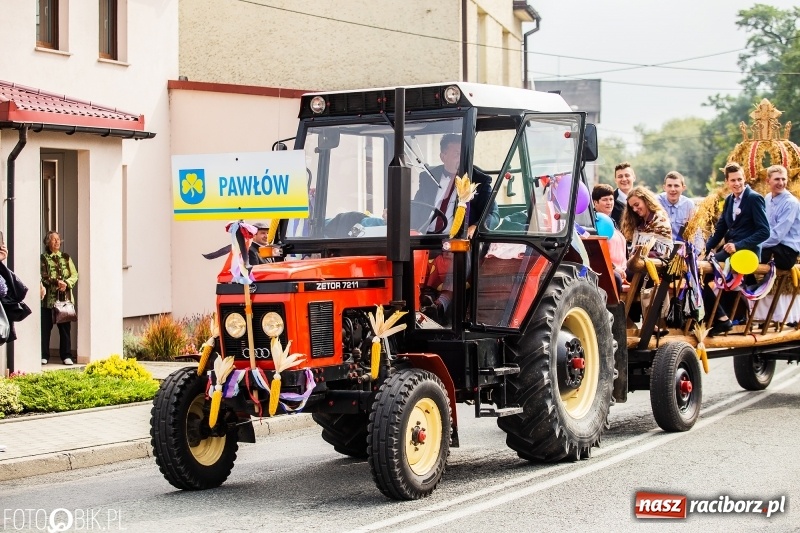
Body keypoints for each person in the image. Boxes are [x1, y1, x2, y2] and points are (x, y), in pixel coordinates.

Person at [703, 162, 770, 336]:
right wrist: (704, 249)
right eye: (733, 180)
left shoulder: (754, 198)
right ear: (727, 182)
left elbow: (764, 231)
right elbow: (720, 229)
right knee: (702, 272)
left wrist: (738, 245)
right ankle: (718, 318)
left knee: (709, 274)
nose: (737, 183)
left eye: (740, 179)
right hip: (731, 250)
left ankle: (722, 320)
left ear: (744, 178)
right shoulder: (729, 200)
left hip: (747, 252)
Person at [412, 134, 499, 236]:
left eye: (464, 155)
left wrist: (476, 227)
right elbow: (417, 207)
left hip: (458, 242)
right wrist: (395, 213)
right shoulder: (428, 178)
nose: (462, 159)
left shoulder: (479, 180)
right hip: (425, 238)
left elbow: (493, 215)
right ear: (443, 157)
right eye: (457, 154)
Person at [41, 231, 78, 365]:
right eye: (53, 240)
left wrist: (66, 283)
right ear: (47, 242)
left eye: (58, 239)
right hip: (48, 301)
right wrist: (57, 283)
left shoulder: (66, 257)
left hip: (64, 301)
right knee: (45, 329)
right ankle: (44, 355)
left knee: (65, 329)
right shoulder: (43, 258)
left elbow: (74, 275)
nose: (57, 242)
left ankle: (66, 355)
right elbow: (43, 276)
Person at [760, 164, 800, 270]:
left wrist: (756, 244)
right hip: (773, 245)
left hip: (787, 253)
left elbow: (777, 236)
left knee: (752, 254)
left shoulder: (791, 203)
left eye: (783, 179)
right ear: (767, 181)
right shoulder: (767, 198)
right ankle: (751, 285)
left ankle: (751, 285)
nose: (781, 183)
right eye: (777, 179)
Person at [592, 184, 627, 291]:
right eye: (605, 200)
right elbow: (597, 253)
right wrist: (615, 268)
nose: (609, 203)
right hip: (606, 268)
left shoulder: (612, 221)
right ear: (595, 202)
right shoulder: (594, 223)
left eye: (611, 199)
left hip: (622, 267)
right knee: (615, 279)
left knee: (642, 274)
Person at [620, 186, 673, 258]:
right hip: (638, 266)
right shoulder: (637, 222)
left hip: (655, 267)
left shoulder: (660, 220)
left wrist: (642, 252)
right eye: (632, 207)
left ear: (646, 200)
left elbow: (667, 251)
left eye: (637, 205)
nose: (635, 209)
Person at [658, 171, 697, 242]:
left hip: (680, 248)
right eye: (669, 186)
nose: (673, 189)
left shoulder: (689, 205)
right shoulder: (656, 202)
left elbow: (695, 231)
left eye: (676, 186)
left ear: (683, 188)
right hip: (659, 246)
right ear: (664, 187)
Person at [611, 162, 637, 226]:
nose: (624, 179)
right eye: (620, 176)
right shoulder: (610, 199)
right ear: (615, 180)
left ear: (634, 178)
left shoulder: (642, 199)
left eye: (627, 175)